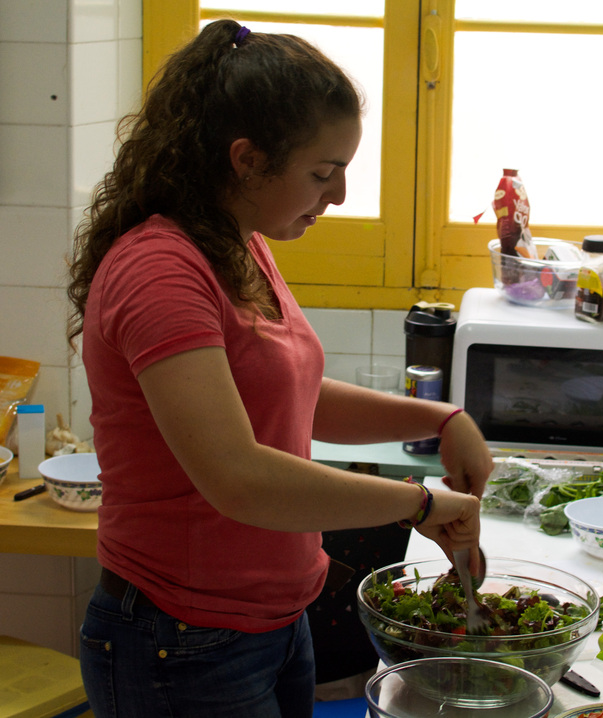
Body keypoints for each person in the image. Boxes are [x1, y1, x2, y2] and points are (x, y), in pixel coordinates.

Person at [66, 19, 493, 718]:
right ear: (247, 160)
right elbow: (239, 477)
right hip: (181, 639)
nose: (340, 195)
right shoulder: (160, 271)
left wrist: (440, 419)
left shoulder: (237, 243)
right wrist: (416, 501)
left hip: (270, 623)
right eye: (322, 173)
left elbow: (290, 396)